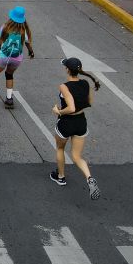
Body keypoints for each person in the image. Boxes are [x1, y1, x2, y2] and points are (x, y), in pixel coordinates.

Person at [50, 57, 102, 200]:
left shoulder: (64, 86)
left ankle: (60, 177)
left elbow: (71, 108)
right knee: (77, 156)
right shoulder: (86, 83)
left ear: (67, 69)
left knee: (60, 149)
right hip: (81, 122)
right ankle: (89, 178)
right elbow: (89, 102)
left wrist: (58, 111)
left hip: (66, 123)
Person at [0, 6, 35, 109]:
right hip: (16, 58)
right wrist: (31, 52)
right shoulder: (23, 31)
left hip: (4, 56)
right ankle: (9, 99)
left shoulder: (5, 27)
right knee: (9, 75)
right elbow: (28, 44)